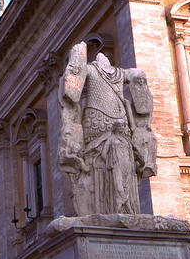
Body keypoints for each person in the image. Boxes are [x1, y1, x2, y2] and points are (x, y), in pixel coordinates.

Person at [58, 42, 157, 216]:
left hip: (116, 124)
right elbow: (72, 89)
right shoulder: (92, 70)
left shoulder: (118, 73)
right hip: (97, 123)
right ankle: (107, 209)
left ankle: (123, 208)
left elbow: (72, 87)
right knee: (100, 161)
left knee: (122, 162)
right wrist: (77, 59)